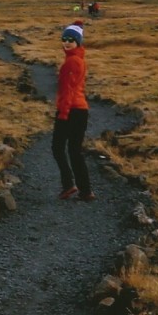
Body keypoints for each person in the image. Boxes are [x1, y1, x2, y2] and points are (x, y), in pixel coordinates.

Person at [53, 23, 93, 201]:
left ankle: (69, 184)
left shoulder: (72, 62)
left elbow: (68, 91)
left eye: (71, 40)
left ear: (78, 41)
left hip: (71, 110)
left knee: (58, 147)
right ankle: (86, 191)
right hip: (79, 109)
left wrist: (63, 114)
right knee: (75, 150)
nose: (67, 43)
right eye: (64, 39)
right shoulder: (79, 59)